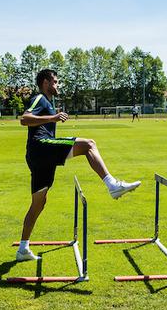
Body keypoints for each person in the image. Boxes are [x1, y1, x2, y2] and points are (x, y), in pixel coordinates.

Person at [16, 69, 141, 261]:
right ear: (45, 82)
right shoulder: (39, 98)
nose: (57, 85)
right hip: (41, 147)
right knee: (89, 144)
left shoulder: (49, 102)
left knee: (39, 203)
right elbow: (24, 119)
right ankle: (112, 185)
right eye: (55, 81)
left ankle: (22, 249)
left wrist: (52, 116)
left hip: (39, 155)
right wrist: (52, 118)